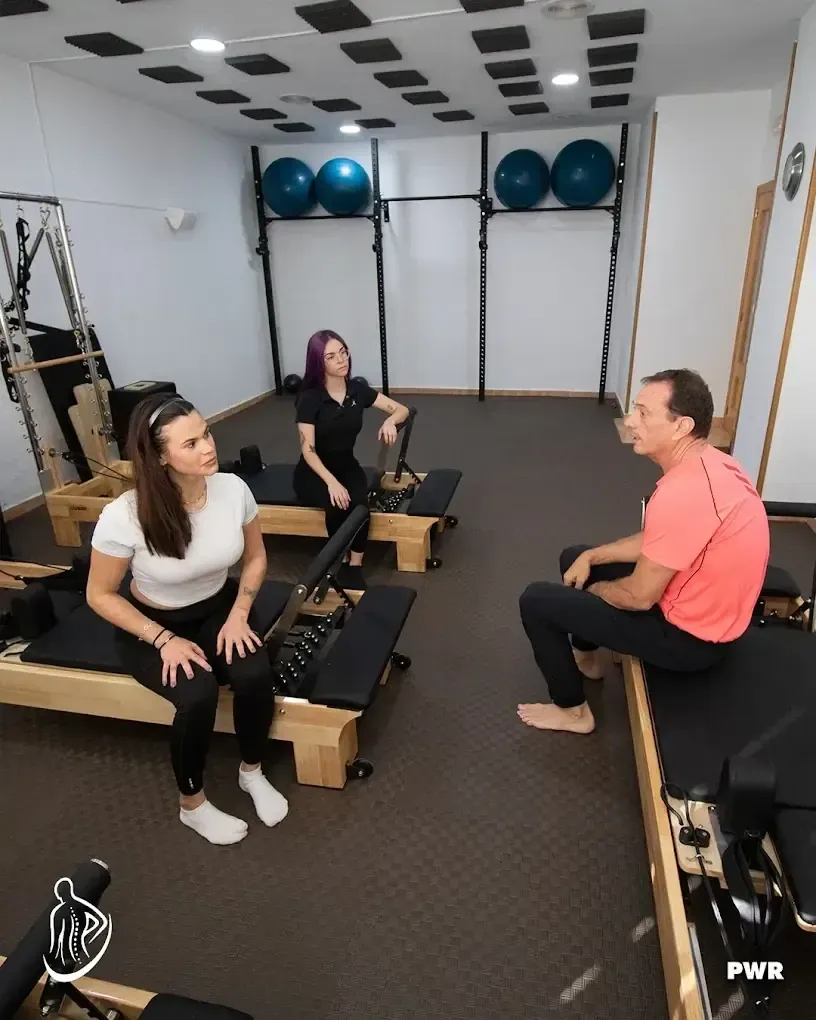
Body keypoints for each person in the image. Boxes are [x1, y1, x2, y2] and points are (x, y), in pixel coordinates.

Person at [518, 368, 770, 735]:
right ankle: (587, 660)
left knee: (537, 602)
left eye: (643, 413)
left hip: (688, 641)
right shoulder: (715, 463)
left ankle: (573, 712)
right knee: (575, 556)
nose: (630, 421)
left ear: (681, 426)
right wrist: (592, 557)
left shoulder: (683, 493)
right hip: (701, 614)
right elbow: (663, 539)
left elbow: (638, 597)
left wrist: (594, 593)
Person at [87, 394, 288, 845]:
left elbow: (256, 558)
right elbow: (98, 594)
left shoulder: (232, 489)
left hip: (219, 608)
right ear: (160, 457)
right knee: (197, 694)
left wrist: (239, 614)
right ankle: (192, 805)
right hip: (150, 625)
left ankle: (251, 772)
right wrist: (162, 639)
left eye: (207, 434)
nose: (209, 447)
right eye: (191, 443)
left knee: (254, 674)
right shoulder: (124, 516)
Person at [293, 329, 409, 589]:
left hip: (346, 464)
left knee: (360, 505)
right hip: (314, 471)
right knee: (337, 504)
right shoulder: (309, 398)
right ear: (318, 363)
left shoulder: (357, 391)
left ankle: (355, 564)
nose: (341, 360)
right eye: (331, 357)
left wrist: (390, 421)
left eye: (343, 352)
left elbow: (401, 410)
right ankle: (337, 561)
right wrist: (332, 483)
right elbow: (308, 450)